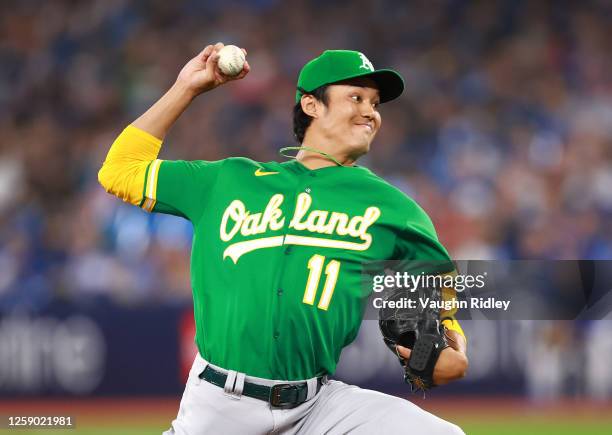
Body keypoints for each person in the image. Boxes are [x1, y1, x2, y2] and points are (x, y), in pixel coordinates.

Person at [98, 43, 468, 434]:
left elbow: (439, 285)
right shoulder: (228, 180)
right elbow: (119, 170)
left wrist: (450, 342)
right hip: (221, 405)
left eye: (375, 103)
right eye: (356, 97)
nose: (370, 112)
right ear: (311, 105)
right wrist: (186, 88)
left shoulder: (394, 207)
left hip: (317, 406)